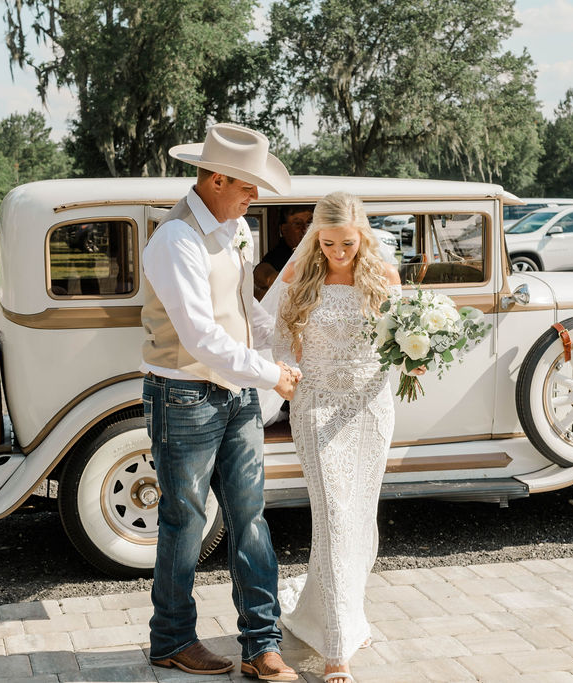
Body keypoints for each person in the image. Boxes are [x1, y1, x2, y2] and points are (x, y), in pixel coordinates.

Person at [141, 122, 300, 681]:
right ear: (214, 178)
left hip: (235, 395)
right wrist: (270, 374)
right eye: (247, 186)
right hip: (183, 394)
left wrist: (285, 347)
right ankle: (172, 640)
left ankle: (262, 644)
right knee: (184, 521)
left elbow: (244, 307)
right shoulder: (176, 238)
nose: (255, 197)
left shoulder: (234, 228)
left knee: (251, 516)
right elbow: (199, 337)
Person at [274, 191, 402, 683]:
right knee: (332, 517)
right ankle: (335, 652)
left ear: (361, 236)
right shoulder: (298, 277)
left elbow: (400, 343)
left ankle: (347, 618)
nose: (337, 253)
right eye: (327, 244)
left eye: (346, 244)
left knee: (359, 518)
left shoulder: (384, 278)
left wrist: (417, 354)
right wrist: (285, 371)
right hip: (317, 402)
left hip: (370, 408)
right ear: (315, 238)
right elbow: (277, 340)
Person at [253, 208, 312, 299]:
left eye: (309, 222)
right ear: (284, 229)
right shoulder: (279, 254)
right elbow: (260, 271)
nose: (305, 229)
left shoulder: (325, 250)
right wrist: (272, 278)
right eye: (297, 224)